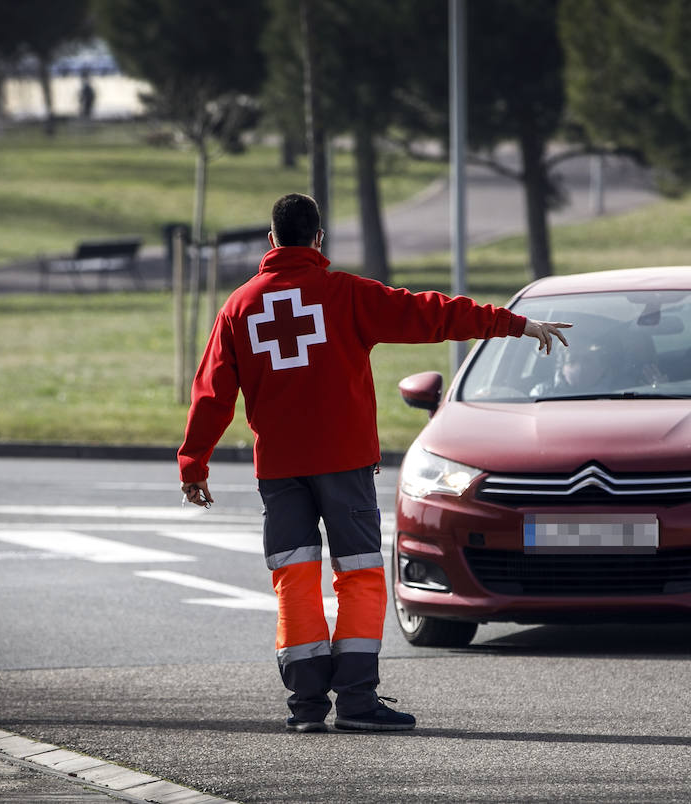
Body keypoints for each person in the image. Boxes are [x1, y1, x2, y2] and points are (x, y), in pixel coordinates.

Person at [178, 193, 570, 733]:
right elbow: (431, 314)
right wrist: (513, 325)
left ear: (271, 240)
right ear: (319, 239)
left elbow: (212, 393)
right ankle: (358, 702)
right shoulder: (346, 295)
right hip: (344, 465)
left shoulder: (240, 307)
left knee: (294, 577)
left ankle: (307, 707)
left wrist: (193, 463)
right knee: (359, 575)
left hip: (280, 469)